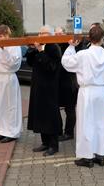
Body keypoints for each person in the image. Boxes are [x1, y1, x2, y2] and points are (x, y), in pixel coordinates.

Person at [62, 26, 104, 168]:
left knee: (86, 123)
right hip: (101, 93)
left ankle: (87, 157)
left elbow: (66, 63)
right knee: (101, 123)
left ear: (89, 38)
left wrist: (70, 47)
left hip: (87, 92)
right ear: (102, 38)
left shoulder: (83, 55)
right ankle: (100, 155)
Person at [26, 25, 62, 156]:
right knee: (40, 114)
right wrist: (32, 50)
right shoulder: (38, 46)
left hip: (50, 88)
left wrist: (41, 52)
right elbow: (30, 62)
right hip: (38, 87)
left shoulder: (54, 48)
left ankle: (54, 145)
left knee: (50, 116)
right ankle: (45, 142)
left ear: (50, 35)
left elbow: (52, 67)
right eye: (39, 33)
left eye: (43, 34)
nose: (40, 36)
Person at [55, 26, 78, 141]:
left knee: (70, 109)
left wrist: (73, 45)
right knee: (56, 107)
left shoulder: (71, 45)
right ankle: (58, 130)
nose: (58, 36)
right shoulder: (54, 45)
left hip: (69, 82)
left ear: (64, 34)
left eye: (60, 34)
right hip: (59, 82)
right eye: (56, 34)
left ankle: (69, 133)